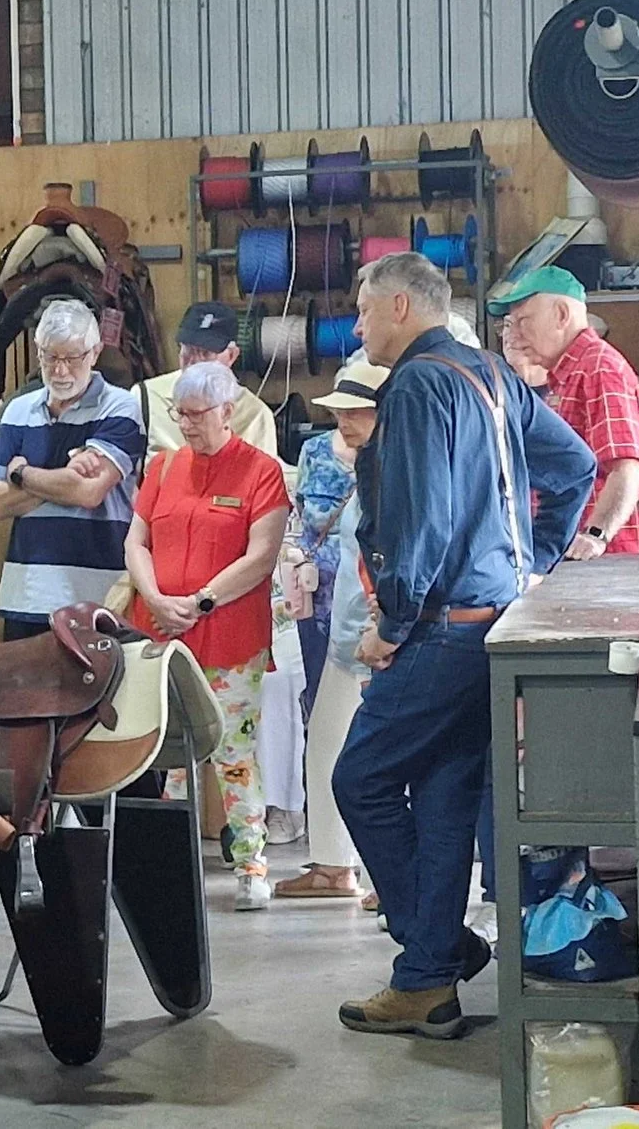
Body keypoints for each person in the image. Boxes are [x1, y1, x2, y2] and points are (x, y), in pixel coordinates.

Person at [332, 253, 595, 1039]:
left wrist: (389, 625)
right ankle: (424, 984)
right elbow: (575, 466)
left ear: (403, 306)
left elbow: (422, 522)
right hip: (496, 620)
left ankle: (438, 946)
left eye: (365, 309)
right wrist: (534, 559)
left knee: (362, 780)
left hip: (443, 628)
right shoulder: (490, 373)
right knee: (444, 797)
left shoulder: (414, 385)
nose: (357, 324)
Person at [126, 361, 292, 910]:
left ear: (228, 411)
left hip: (228, 636)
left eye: (197, 414)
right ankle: (174, 864)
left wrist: (200, 603)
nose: (187, 424)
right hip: (161, 631)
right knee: (167, 751)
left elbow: (260, 555)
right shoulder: (164, 468)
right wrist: (153, 599)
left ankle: (250, 863)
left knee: (232, 752)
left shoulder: (260, 472)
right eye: (181, 413)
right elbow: (138, 543)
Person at [274, 357, 392, 902]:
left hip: (380, 632)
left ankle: (388, 878)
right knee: (324, 743)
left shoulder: (395, 467)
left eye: (356, 411)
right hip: (347, 627)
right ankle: (332, 866)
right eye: (339, 410)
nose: (344, 420)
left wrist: (384, 626)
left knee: (384, 757)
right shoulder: (351, 460)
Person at [0, 301, 147, 639]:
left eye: (71, 358)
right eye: (50, 357)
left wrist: (22, 473)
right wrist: (65, 476)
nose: (60, 371)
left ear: (95, 352)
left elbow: (87, 492)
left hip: (100, 598)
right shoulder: (17, 410)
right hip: (26, 596)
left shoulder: (121, 407)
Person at [493, 266, 639, 558]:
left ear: (561, 315)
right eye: (510, 323)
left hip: (614, 557)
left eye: (524, 321)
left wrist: (596, 535)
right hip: (590, 556)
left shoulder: (598, 368)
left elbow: (627, 468)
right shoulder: (567, 373)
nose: (515, 335)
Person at [139, 301, 278, 458]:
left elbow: (264, 476)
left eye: (206, 354)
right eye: (188, 350)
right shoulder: (146, 397)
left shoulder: (255, 415)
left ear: (232, 355)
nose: (194, 363)